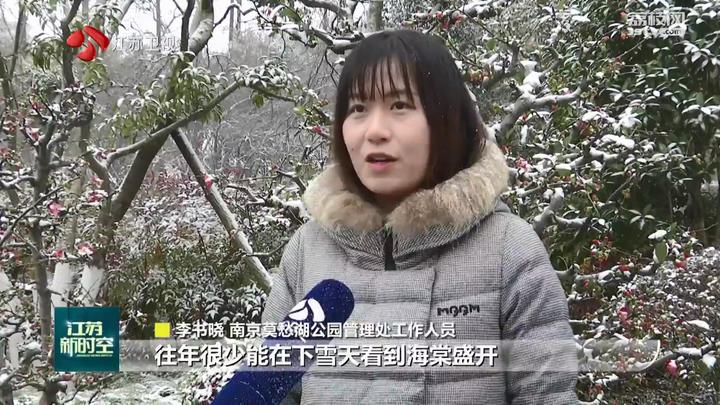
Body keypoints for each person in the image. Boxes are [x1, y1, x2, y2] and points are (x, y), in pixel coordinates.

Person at [262, 29, 578, 404]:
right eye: (358, 109)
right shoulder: (307, 251)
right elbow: (268, 391)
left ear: (447, 119)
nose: (375, 131)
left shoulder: (508, 250)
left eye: (400, 105)